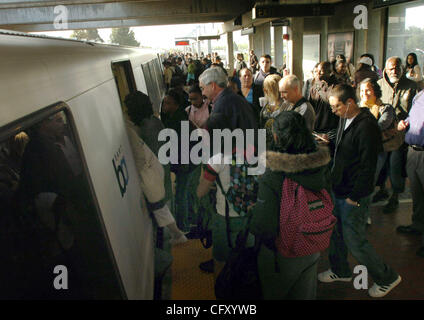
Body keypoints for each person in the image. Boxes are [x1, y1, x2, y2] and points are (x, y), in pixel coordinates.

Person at [319, 84, 401, 298]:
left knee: (355, 240)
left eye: (336, 107)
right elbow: (343, 140)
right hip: (339, 188)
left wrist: (354, 198)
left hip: (353, 195)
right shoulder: (344, 118)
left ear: (350, 103)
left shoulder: (367, 126)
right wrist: (329, 138)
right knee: (336, 234)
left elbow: (368, 167)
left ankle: (387, 277)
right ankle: (340, 270)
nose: (333, 111)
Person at [249, 111, 331, 299]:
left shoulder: (274, 173)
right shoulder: (319, 165)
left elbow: (264, 224)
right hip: (313, 241)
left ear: (276, 136)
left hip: (283, 251)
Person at [196, 113, 255, 281]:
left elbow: (201, 192)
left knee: (220, 260)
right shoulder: (251, 151)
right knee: (247, 257)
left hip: (225, 217)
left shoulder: (217, 159)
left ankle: (223, 293)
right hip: (249, 215)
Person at [376, 56, 418, 214]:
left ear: (403, 68)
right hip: (382, 134)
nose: (395, 71)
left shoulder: (412, 86)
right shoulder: (379, 85)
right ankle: (381, 190)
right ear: (385, 69)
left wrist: (403, 124)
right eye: (391, 68)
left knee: (395, 166)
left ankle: (394, 196)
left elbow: (416, 110)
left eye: (398, 67)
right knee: (380, 166)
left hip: (401, 135)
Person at [359, 78, 397, 224]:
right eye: (361, 90)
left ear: (376, 91)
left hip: (375, 153)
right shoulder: (357, 107)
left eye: (368, 90)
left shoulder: (385, 109)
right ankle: (357, 211)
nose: (364, 93)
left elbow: (377, 128)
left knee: (369, 183)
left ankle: (365, 214)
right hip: (357, 152)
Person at [396, 90, 424, 256]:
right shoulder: (420, 95)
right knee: (417, 194)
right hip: (413, 151)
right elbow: (413, 117)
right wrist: (404, 123)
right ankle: (418, 225)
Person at [198, 67, 258, 133]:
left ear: (213, 86)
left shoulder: (222, 106)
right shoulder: (234, 98)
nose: (202, 93)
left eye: (202, 88)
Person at [308, 61, 339, 145]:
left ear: (330, 72)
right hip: (316, 128)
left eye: (321, 71)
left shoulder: (337, 87)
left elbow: (330, 100)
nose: (318, 73)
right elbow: (311, 107)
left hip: (331, 129)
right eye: (317, 71)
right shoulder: (314, 87)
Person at [259, 74, 289, 149]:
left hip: (280, 147)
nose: (264, 90)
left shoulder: (286, 105)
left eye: (267, 88)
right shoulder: (267, 104)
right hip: (264, 146)